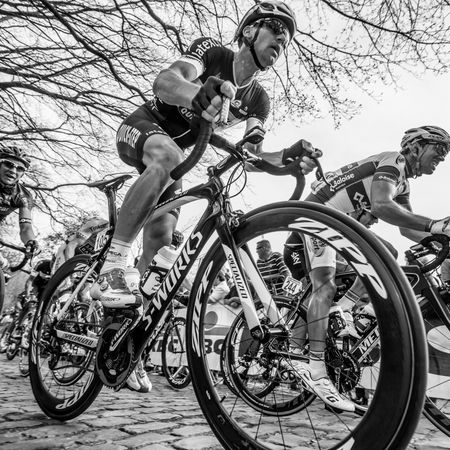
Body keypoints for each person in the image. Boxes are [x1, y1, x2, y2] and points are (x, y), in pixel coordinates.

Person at [90, 3, 319, 320]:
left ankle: (121, 328)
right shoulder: (212, 53)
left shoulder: (258, 100)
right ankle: (112, 266)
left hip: (174, 161)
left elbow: (251, 156)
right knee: (170, 154)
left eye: (287, 39)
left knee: (162, 239)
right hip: (144, 126)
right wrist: (194, 94)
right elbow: (165, 82)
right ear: (249, 30)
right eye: (277, 28)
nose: (283, 40)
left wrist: (285, 159)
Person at [292, 125, 450, 412]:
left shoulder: (403, 183)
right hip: (319, 215)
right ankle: (315, 370)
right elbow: (380, 205)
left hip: (340, 223)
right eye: (439, 149)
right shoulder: (393, 161)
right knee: (325, 286)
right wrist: (434, 225)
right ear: (415, 147)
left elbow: (406, 228)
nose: (443, 156)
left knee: (387, 252)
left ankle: (346, 308)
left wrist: (441, 238)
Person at [0, 146, 39, 253]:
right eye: (8, 164)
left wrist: (30, 242)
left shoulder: (22, 196)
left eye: (20, 169)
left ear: (22, 174)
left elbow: (25, 228)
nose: (13, 171)